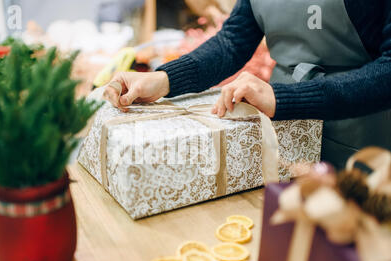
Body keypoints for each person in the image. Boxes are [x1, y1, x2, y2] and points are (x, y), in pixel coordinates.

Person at [104, 0, 391, 168]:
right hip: (282, 131)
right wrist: (163, 79)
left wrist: (285, 99)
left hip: (361, 137)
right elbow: (233, 42)